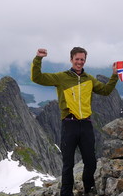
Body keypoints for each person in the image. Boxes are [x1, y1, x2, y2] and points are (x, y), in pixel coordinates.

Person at [31, 47, 118, 196]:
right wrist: (38, 58)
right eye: (77, 59)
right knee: (68, 163)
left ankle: (89, 189)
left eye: (82, 59)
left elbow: (105, 90)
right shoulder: (61, 77)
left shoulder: (89, 79)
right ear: (71, 59)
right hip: (69, 124)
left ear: (85, 61)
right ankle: (66, 193)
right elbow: (37, 78)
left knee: (90, 161)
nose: (79, 62)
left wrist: (114, 75)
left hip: (86, 124)